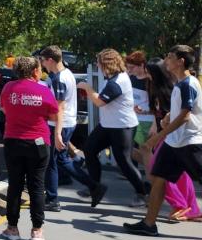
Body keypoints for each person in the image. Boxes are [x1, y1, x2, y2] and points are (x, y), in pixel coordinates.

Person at [125, 45, 202, 236]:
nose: (166, 60)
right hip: (174, 143)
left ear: (180, 61)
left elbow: (185, 116)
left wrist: (158, 136)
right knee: (158, 179)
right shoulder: (179, 83)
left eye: (170, 57)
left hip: (190, 142)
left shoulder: (188, 84)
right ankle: (149, 224)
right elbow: (181, 112)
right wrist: (168, 115)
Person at [0, 56, 58, 240]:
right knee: (37, 186)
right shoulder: (43, 90)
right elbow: (54, 115)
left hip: (13, 140)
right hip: (38, 142)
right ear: (34, 71)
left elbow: (4, 109)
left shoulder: (9, 88)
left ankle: (12, 228)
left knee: (15, 185)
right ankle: (37, 231)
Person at [77, 48, 148, 207]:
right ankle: (95, 187)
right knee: (89, 149)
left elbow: (99, 102)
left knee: (124, 162)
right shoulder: (114, 78)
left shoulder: (117, 82)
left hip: (122, 127)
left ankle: (142, 193)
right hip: (108, 125)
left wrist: (87, 88)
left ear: (106, 64)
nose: (97, 65)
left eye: (99, 62)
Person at [39, 46, 105, 208]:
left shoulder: (59, 79)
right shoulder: (65, 74)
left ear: (50, 60)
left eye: (42, 60)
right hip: (67, 122)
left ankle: (53, 199)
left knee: (51, 162)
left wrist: (57, 133)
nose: (41, 64)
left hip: (59, 123)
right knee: (61, 160)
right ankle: (93, 186)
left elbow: (59, 107)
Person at [142, 58, 200, 221]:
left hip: (177, 137)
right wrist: (158, 123)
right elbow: (167, 113)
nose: (144, 73)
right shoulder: (154, 87)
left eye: (147, 70)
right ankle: (151, 222)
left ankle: (183, 206)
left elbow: (183, 115)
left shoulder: (180, 86)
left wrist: (161, 132)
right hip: (172, 137)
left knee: (161, 173)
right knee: (163, 174)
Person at [125, 51, 153, 169]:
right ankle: (134, 170)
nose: (130, 70)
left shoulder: (150, 81)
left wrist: (145, 111)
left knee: (146, 149)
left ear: (142, 65)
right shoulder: (130, 78)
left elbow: (157, 104)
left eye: (132, 67)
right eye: (128, 67)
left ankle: (153, 170)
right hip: (133, 119)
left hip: (148, 121)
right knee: (130, 147)